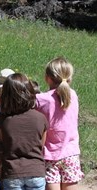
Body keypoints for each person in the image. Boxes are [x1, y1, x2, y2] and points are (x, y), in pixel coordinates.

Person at [35, 57, 84, 190]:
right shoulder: (73, 95)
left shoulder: (41, 100)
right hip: (71, 153)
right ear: (69, 77)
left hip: (50, 154)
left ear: (47, 78)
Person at [0, 73, 48, 190]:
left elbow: (2, 140)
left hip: (12, 172)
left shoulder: (2, 118)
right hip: (36, 171)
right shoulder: (40, 118)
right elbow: (41, 144)